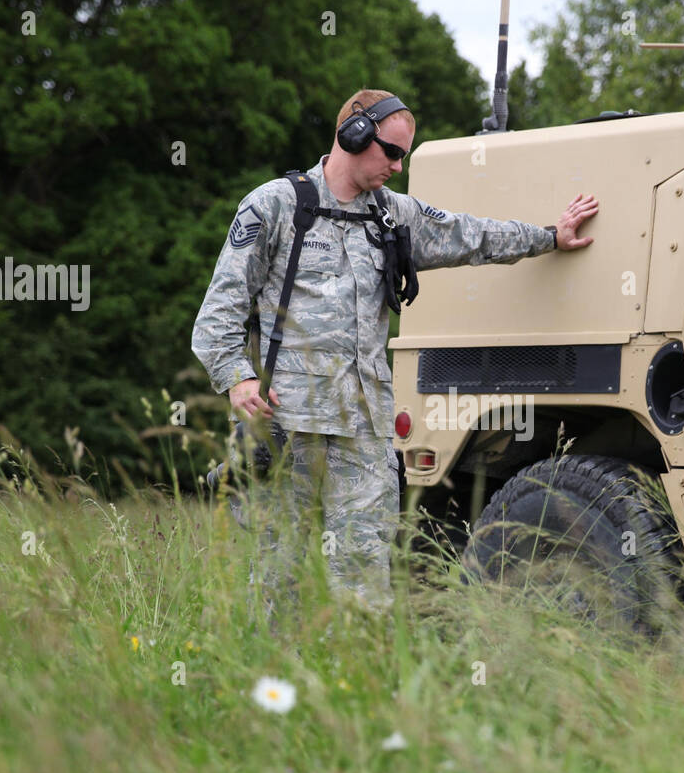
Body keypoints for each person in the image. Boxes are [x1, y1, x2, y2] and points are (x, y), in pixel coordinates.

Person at [192, 89, 599, 616]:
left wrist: (548, 236)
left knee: (363, 579)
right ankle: (267, 690)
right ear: (353, 135)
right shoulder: (276, 205)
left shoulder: (392, 216)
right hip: (284, 424)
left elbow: (470, 235)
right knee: (274, 579)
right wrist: (237, 379)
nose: (398, 165)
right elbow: (219, 310)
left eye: (404, 154)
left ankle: (353, 690)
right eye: (391, 151)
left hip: (363, 428)